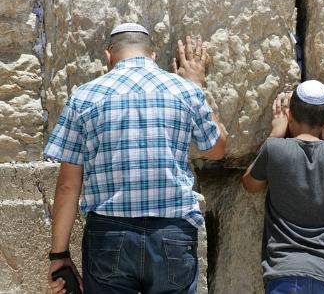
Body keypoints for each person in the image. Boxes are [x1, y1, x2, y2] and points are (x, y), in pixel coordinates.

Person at [45, 23, 226, 294]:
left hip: (109, 237)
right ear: (152, 54)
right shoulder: (185, 91)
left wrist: (58, 255)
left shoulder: (83, 97)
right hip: (172, 233)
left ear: (109, 56)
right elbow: (217, 149)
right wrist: (197, 86)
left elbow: (68, 186)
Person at [242, 80, 324, 294]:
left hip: (286, 273)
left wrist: (275, 133)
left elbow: (250, 184)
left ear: (289, 116)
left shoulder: (275, 148)